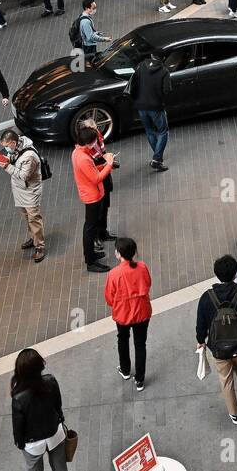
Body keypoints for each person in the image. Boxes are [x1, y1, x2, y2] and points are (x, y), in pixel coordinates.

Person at [196, 254, 237, 424]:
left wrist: (201, 339)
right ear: (235, 273)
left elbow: (201, 323)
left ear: (216, 274)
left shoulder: (207, 297)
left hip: (218, 348)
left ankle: (235, 414)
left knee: (226, 379)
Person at [10, 348, 71, 471]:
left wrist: (20, 443)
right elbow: (58, 405)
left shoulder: (18, 398)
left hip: (32, 444)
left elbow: (18, 426)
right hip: (55, 434)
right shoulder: (50, 381)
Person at [104, 238, 151, 392]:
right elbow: (148, 284)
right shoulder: (142, 267)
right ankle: (140, 379)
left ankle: (125, 370)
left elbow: (109, 298)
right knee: (140, 344)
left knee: (122, 339)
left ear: (119, 254)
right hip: (142, 312)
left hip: (123, 314)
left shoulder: (114, 273)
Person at [0, 129, 46, 262]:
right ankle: (33, 238)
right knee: (26, 217)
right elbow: (8, 155)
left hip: (30, 191)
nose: (6, 149)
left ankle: (40, 246)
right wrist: (1, 157)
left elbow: (24, 175)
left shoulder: (29, 156)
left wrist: (6, 166)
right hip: (20, 190)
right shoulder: (16, 145)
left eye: (6, 146)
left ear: (13, 142)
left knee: (34, 218)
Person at [72, 125, 114, 272]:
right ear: (89, 143)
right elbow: (96, 178)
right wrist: (108, 165)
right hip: (92, 196)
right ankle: (90, 261)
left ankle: (91, 255)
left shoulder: (78, 152)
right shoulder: (83, 158)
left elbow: (92, 172)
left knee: (90, 226)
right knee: (90, 228)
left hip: (91, 193)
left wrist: (103, 166)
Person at [126, 47, 171, 172]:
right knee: (163, 131)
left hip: (140, 105)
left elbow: (134, 82)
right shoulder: (164, 71)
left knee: (150, 131)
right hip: (156, 107)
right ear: (163, 58)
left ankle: (157, 157)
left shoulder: (141, 66)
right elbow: (167, 90)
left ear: (151, 55)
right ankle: (157, 159)